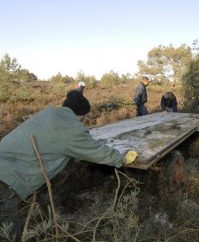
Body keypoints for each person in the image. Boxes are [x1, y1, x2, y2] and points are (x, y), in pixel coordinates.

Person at [0, 91, 136, 240]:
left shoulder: (48, 113)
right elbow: (97, 152)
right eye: (85, 117)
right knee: (8, 234)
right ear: (81, 115)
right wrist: (121, 159)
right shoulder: (71, 128)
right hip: (6, 182)